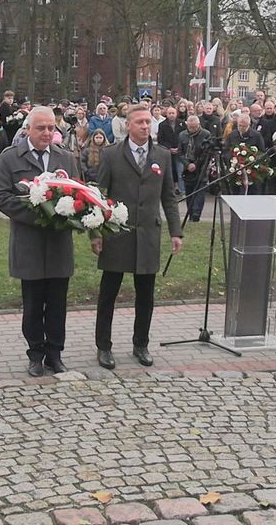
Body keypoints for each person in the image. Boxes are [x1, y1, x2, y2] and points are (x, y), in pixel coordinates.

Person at [91, 105, 183, 370]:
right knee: (109, 292)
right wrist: (96, 233)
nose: (145, 126)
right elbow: (99, 194)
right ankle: (104, 346)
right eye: (140, 122)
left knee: (146, 294)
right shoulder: (111, 155)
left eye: (148, 122)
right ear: (128, 125)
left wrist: (175, 231)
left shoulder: (162, 156)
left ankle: (140, 343)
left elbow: (169, 196)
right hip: (117, 233)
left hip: (148, 233)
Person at [0, 106, 79, 377]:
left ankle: (55, 354)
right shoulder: (9, 158)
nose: (46, 133)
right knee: (32, 304)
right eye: (40, 128)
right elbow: (2, 197)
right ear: (28, 129)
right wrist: (39, 213)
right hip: (28, 242)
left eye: (51, 128)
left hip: (58, 243)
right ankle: (35, 354)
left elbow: (80, 193)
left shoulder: (65, 158)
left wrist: (67, 212)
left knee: (57, 302)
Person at [179, 115, 213, 222]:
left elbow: (206, 152)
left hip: (201, 167)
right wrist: (187, 164)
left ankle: (196, 214)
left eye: (194, 127)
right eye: (190, 127)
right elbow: (180, 152)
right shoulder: (182, 135)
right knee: (189, 192)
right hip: (187, 167)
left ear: (199, 125)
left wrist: (196, 164)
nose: (192, 129)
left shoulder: (206, 134)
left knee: (200, 191)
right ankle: (190, 213)